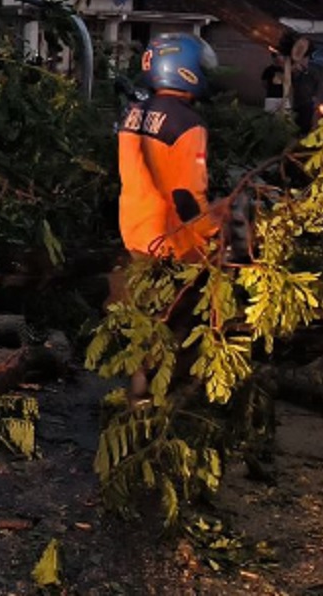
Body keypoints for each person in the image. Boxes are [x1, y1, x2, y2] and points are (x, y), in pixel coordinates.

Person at [115, 33, 222, 398]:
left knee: (143, 320)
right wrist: (213, 233)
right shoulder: (188, 123)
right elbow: (187, 194)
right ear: (185, 71)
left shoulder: (134, 115)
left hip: (136, 232)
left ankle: (137, 392)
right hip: (173, 241)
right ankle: (164, 400)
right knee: (177, 324)